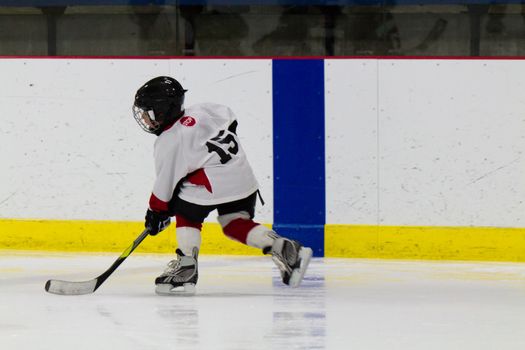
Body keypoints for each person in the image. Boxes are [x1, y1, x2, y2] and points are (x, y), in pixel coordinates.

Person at [132, 76, 313, 295]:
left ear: (162, 111)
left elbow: (164, 187)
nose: (145, 118)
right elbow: (230, 117)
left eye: (148, 112)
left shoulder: (170, 140)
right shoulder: (202, 110)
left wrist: (156, 213)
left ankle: (186, 268)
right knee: (234, 223)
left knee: (185, 210)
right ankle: (284, 247)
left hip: (212, 186)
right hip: (243, 178)